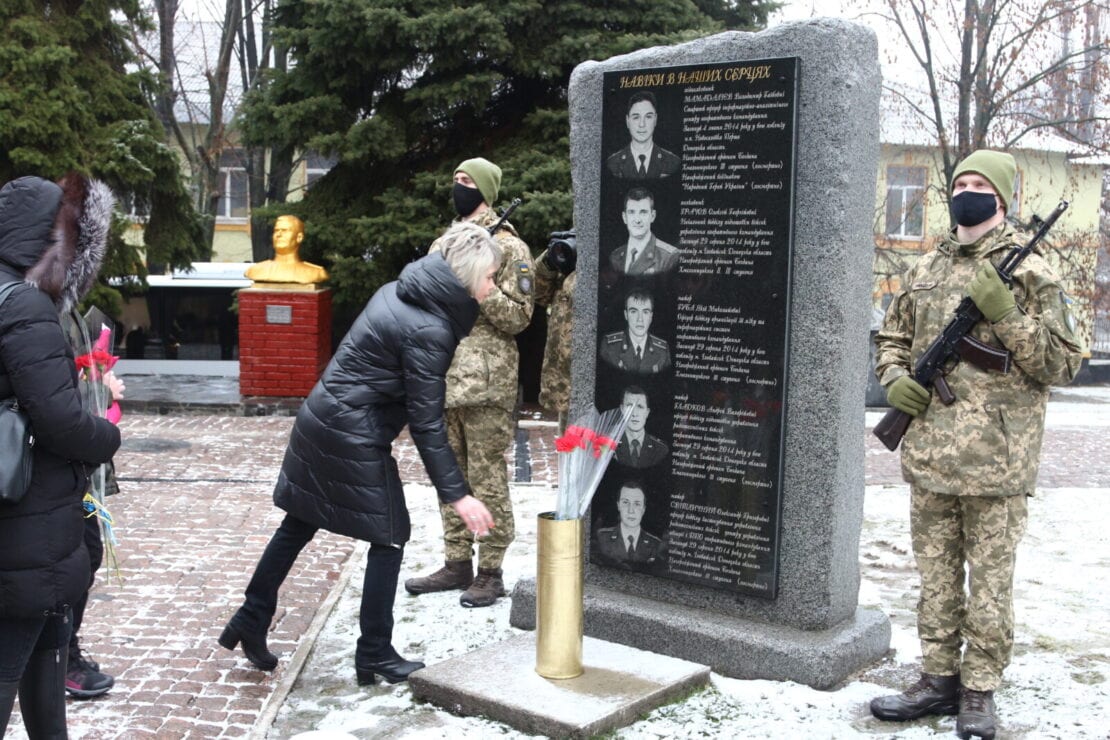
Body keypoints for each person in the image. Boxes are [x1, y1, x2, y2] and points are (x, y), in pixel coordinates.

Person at [219, 222, 501, 686]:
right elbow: (427, 422)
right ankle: (373, 652)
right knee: (390, 537)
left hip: (322, 417)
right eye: (490, 277)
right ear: (467, 275)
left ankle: (251, 616)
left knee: (299, 523)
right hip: (350, 432)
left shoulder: (402, 290)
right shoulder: (430, 328)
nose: (491, 287)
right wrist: (460, 496)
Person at [870, 150, 1083, 740]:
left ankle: (980, 690)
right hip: (930, 456)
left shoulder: (1033, 269)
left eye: (980, 185)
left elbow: (1063, 364)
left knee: (988, 584)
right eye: (960, 182)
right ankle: (936, 680)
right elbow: (891, 337)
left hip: (997, 462)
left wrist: (1007, 313)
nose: (967, 192)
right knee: (935, 577)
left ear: (1003, 199)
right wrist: (896, 379)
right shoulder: (925, 268)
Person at [0, 174, 122, 735]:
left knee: (47, 654)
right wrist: (107, 435)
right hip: (26, 523)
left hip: (23, 521)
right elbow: (60, 422)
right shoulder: (24, 307)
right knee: (15, 660)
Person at [405, 158, 535, 608]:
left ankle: (491, 571)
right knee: (450, 476)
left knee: (487, 477)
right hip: (442, 374)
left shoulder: (508, 246)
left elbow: (520, 318)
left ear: (485, 188)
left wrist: (479, 287)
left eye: (467, 181)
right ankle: (456, 561)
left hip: (486, 381)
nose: (458, 186)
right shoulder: (445, 241)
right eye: (455, 178)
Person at [534, 230, 576, 431]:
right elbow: (536, 293)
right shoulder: (568, 254)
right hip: (564, 377)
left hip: (590, 372)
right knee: (568, 444)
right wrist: (549, 259)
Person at [591, 482, 666, 571]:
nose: (631, 510)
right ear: (618, 506)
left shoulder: (655, 544)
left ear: (643, 509)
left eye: (637, 504)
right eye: (626, 502)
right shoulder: (602, 538)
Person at [606, 91, 681, 179]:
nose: (642, 124)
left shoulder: (673, 163)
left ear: (655, 119)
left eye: (648, 117)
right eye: (636, 117)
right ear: (627, 121)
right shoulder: (612, 163)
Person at [609, 187, 679, 276]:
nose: (637, 220)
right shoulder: (615, 256)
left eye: (643, 212)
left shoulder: (669, 257)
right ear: (624, 217)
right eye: (631, 212)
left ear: (653, 216)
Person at [599, 288, 670, 374]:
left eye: (645, 312)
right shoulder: (610, 347)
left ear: (651, 316)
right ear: (626, 315)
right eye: (634, 311)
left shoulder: (662, 351)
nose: (640, 319)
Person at [244, 214, 329, 284]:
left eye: (285, 230)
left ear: (299, 237)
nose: (279, 234)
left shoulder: (315, 272)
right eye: (276, 230)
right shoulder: (257, 270)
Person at [613, 386, 668, 469]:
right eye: (629, 406)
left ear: (647, 412)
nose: (634, 414)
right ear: (622, 409)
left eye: (640, 407)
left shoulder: (661, 449)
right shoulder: (609, 445)